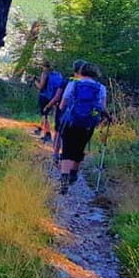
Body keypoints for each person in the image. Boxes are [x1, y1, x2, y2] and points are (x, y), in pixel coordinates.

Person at [57, 62, 109, 194]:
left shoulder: (73, 84)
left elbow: (62, 105)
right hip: (88, 124)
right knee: (80, 148)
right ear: (95, 73)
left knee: (67, 149)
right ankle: (73, 173)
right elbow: (102, 108)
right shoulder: (101, 88)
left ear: (81, 72)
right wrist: (107, 117)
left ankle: (64, 178)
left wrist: (65, 112)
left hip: (71, 122)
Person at [45, 59, 86, 164]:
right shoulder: (88, 83)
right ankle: (70, 158)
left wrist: (49, 106)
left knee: (58, 132)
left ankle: (55, 154)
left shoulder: (67, 81)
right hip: (80, 114)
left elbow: (57, 97)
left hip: (64, 111)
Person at [33, 61, 62, 143]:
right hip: (53, 97)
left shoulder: (45, 73)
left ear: (43, 66)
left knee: (44, 115)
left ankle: (47, 134)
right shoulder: (57, 74)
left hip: (44, 96)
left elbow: (40, 87)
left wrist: (35, 81)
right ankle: (40, 129)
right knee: (46, 114)